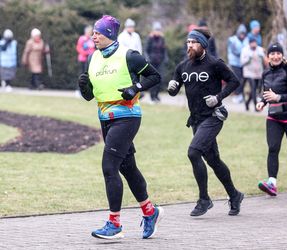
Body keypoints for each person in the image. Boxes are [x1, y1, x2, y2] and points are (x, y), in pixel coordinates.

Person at [78, 15, 163, 240]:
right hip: (105, 117)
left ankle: (114, 224)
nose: (93, 36)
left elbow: (155, 76)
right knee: (127, 167)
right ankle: (150, 212)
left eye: (98, 32)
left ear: (109, 34)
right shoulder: (93, 58)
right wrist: (84, 88)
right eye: (94, 32)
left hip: (127, 116)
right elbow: (90, 96)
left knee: (109, 166)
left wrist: (135, 87)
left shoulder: (129, 56)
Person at [168, 28, 244, 217]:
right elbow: (174, 88)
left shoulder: (215, 63)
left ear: (203, 44)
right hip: (196, 119)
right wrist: (171, 87)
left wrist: (218, 97)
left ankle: (204, 200)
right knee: (213, 160)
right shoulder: (183, 66)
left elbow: (235, 81)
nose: (189, 46)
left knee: (193, 152)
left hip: (213, 117)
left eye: (193, 42)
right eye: (188, 42)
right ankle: (235, 195)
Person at [256, 43, 287, 196]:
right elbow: (267, 92)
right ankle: (272, 184)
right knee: (273, 148)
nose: (275, 56)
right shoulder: (266, 73)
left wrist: (279, 97)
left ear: (282, 55)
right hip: (274, 117)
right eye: (272, 54)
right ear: (268, 57)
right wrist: (262, 101)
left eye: (278, 53)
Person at [145, 21, 168, 103]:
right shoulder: (150, 39)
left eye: (159, 30)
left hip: (160, 61)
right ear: (153, 30)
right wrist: (147, 58)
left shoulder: (162, 39)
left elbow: (164, 49)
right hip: (152, 61)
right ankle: (152, 96)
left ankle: (157, 95)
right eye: (156, 30)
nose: (157, 31)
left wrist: (165, 58)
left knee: (160, 79)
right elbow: (146, 50)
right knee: (153, 79)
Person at [240, 37, 265, 111]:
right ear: (249, 43)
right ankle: (256, 106)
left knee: (255, 89)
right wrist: (249, 58)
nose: (254, 44)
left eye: (255, 43)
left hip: (258, 72)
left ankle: (247, 103)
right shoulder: (245, 50)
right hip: (249, 72)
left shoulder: (260, 49)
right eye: (252, 43)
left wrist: (262, 56)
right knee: (253, 88)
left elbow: (264, 60)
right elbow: (242, 62)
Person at [227, 24, 249, 103]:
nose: (242, 35)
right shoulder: (232, 40)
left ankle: (240, 94)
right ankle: (237, 95)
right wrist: (242, 54)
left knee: (243, 79)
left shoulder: (247, 40)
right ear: (238, 33)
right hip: (235, 62)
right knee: (237, 78)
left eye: (244, 34)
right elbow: (233, 51)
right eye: (241, 33)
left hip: (243, 62)